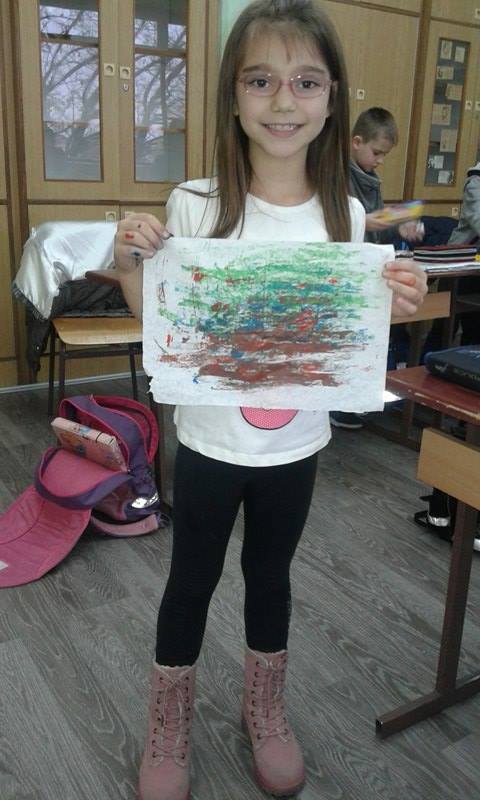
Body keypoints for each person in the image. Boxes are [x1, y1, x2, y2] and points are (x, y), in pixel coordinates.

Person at [113, 3, 427, 798]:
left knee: (271, 576)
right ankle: (169, 720)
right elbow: (160, 322)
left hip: (297, 447)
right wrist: (127, 268)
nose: (284, 101)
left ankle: (266, 707)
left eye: (306, 82)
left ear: (332, 98)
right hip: (210, 444)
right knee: (191, 580)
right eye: (261, 81)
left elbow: (347, 327)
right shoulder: (194, 203)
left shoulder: (346, 214)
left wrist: (394, 302)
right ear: (233, 94)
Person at [331, 106, 424, 429]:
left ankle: (353, 400)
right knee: (342, 343)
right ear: (356, 142)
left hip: (367, 270)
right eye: (377, 152)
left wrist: (399, 226)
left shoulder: (370, 179)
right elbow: (343, 222)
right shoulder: (337, 174)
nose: (380, 160)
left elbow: (376, 228)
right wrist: (384, 218)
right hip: (343, 272)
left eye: (385, 155)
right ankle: (337, 406)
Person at [448, 160, 480, 345]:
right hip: (461, 257)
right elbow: (478, 219)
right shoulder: (475, 182)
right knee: (447, 322)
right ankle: (428, 358)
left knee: (474, 325)